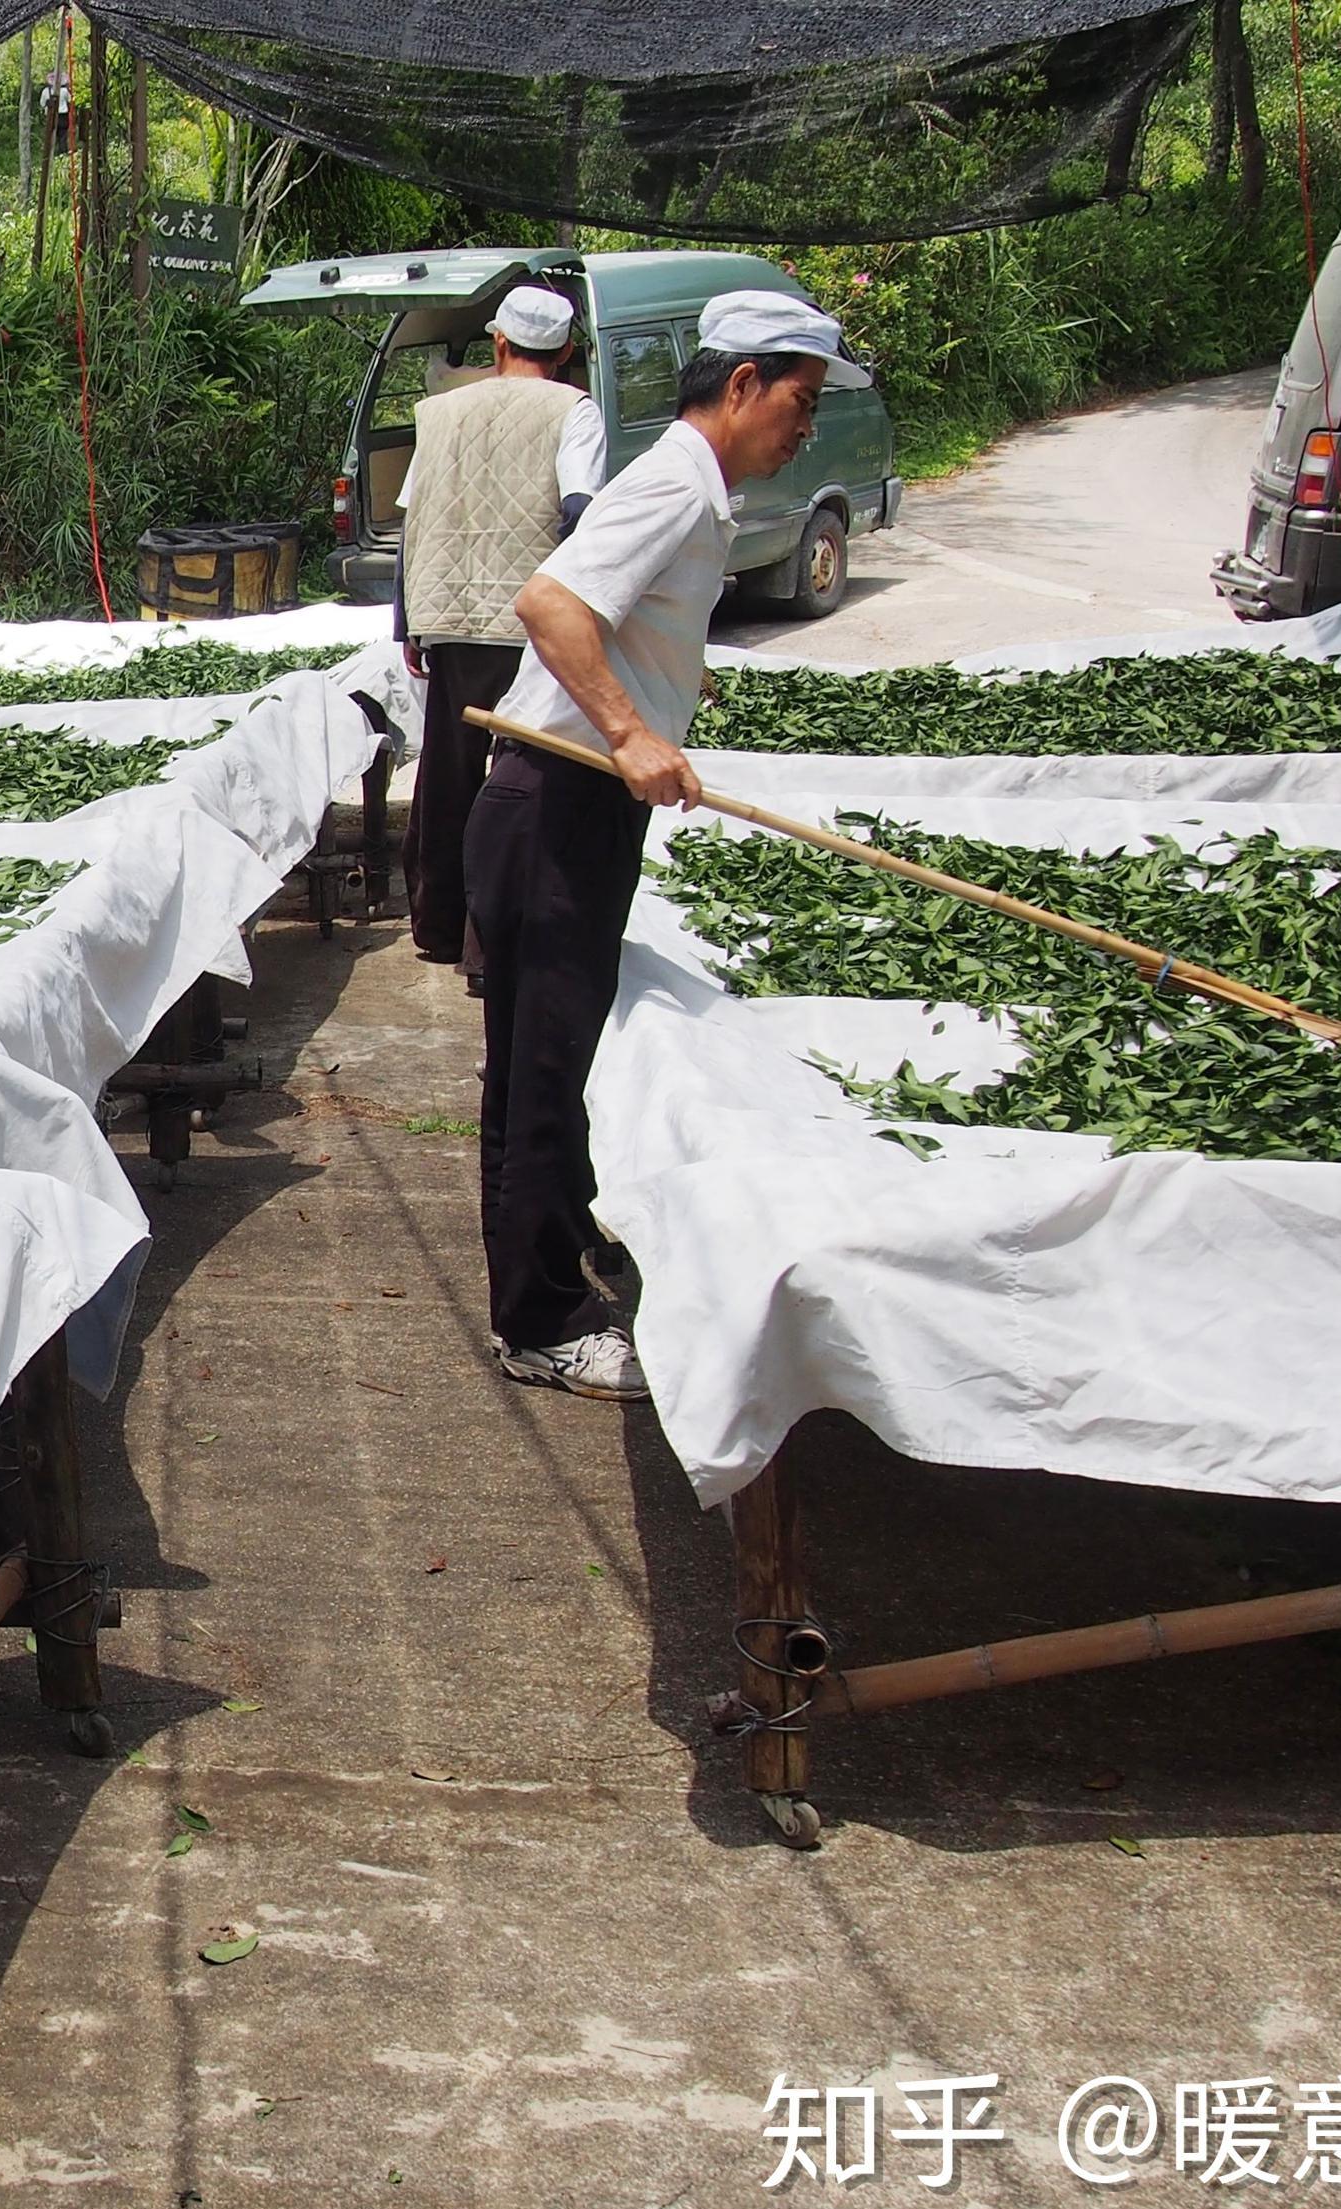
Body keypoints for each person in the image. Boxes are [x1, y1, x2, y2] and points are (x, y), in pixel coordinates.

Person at [469, 291, 864, 1403]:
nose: (803, 428)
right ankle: (539, 1322)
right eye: (799, 401)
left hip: (564, 802)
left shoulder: (694, 488)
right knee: (541, 1076)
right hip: (556, 801)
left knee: (538, 1070)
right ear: (740, 385)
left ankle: (545, 1277)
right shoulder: (671, 482)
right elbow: (548, 604)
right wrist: (633, 732)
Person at [399, 282, 607, 992]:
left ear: (497, 342)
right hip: (527, 621)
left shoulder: (441, 411)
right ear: (568, 352)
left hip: (451, 616)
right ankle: (488, 950)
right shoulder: (574, 411)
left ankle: (435, 926)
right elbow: (581, 511)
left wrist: (408, 622)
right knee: (517, 780)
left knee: (450, 775)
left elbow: (412, 522)